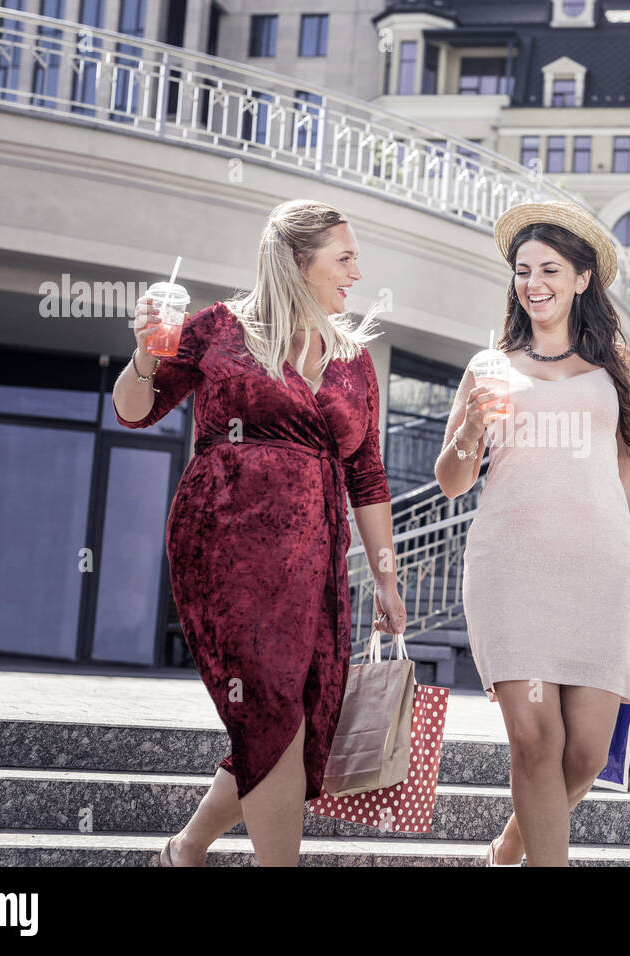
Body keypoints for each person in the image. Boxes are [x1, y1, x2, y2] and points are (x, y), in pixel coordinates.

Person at [112, 199, 406, 867]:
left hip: (314, 564)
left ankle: (185, 849)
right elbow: (134, 411)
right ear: (299, 263)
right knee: (274, 708)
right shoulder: (217, 329)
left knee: (294, 725)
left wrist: (386, 577)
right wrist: (143, 355)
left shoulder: (354, 359)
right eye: (345, 257)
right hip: (225, 545)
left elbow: (368, 477)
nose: (358, 271)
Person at [435, 201, 630, 867]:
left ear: (582, 280)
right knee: (535, 740)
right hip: (512, 570)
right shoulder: (489, 367)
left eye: (550, 269)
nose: (534, 282)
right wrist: (472, 432)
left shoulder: (618, 368)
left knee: (587, 755)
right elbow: (453, 480)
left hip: (602, 572)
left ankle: (509, 850)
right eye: (523, 271)